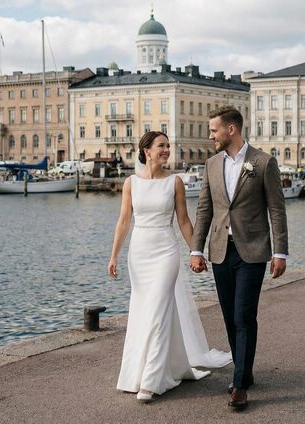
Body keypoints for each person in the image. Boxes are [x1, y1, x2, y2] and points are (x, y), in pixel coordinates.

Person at [108, 131, 232, 404]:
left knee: (159, 310)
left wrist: (196, 251)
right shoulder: (131, 183)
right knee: (144, 311)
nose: (166, 150)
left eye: (167, 146)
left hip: (166, 252)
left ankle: (151, 381)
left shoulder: (174, 182)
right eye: (161, 146)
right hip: (139, 254)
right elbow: (123, 222)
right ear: (147, 151)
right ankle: (142, 371)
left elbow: (185, 222)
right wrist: (114, 255)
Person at [190, 106, 288, 411]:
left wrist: (280, 251)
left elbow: (276, 209)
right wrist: (196, 249)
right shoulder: (210, 164)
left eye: (214, 130)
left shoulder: (262, 162)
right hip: (220, 250)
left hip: (253, 250)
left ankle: (240, 385)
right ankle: (243, 370)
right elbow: (205, 209)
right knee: (230, 316)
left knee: (244, 315)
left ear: (231, 130)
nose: (210, 136)